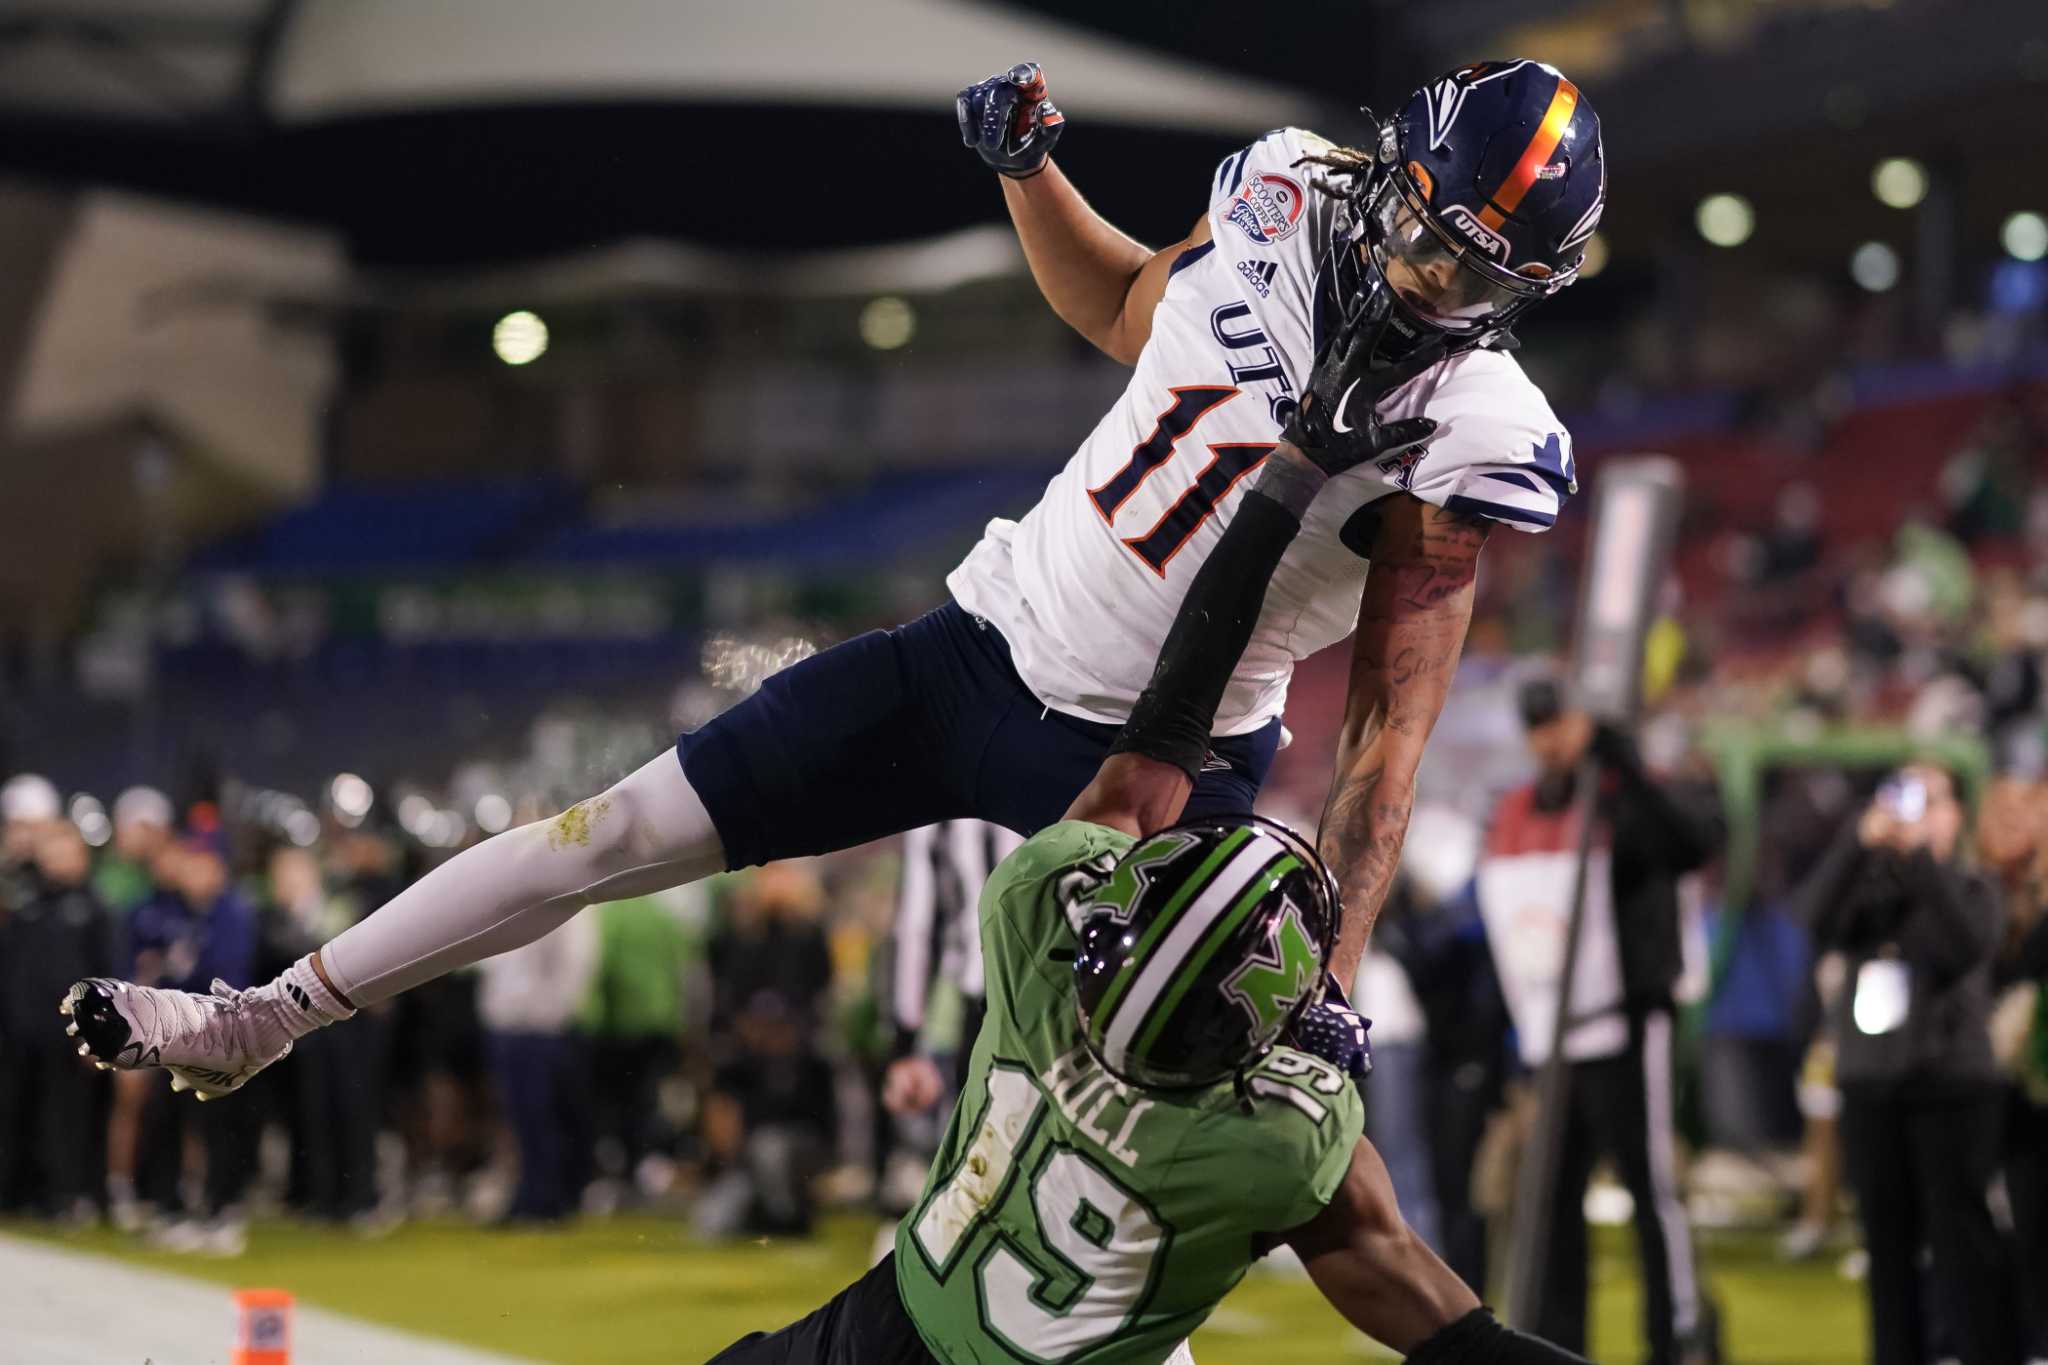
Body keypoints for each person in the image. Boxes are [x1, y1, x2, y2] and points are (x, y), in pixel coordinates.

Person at [62, 59, 1604, 1137]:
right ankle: (262, 1015)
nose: (1426, 284)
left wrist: (1334, 983)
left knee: (1101, 1164)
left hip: (1167, 772)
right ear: (1384, 168)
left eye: (1474, 275)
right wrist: (1029, 175)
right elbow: (1123, 307)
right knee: (606, 833)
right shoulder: (1276, 188)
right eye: (1421, 232)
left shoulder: (1474, 427)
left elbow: (1390, 741)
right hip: (977, 648)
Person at [709, 275, 1587, 1364]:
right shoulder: (1271, 1140)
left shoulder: (1032, 939)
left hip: (888, 1333)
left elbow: (1161, 732)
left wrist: (1285, 480)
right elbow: (1439, 1314)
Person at [1473, 679, 1721, 1363]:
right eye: (1538, 724)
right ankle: (1560, 1346)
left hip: (1628, 1023)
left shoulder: (1628, 793)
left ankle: (1678, 1339)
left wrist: (1626, 765)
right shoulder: (1521, 808)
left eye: (1560, 720)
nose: (1550, 737)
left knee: (1651, 1192)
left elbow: (1689, 843)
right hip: (1552, 1034)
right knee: (1550, 1200)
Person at [1794, 763, 2021, 1365]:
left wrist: (1921, 859)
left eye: (1931, 800)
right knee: (1886, 1254)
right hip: (1872, 1088)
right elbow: (1810, 919)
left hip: (1951, 1089)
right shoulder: (1870, 894)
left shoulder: (1973, 886)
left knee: (1960, 1251)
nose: (1913, 813)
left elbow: (1964, 945)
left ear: (1956, 815)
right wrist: (1854, 844)